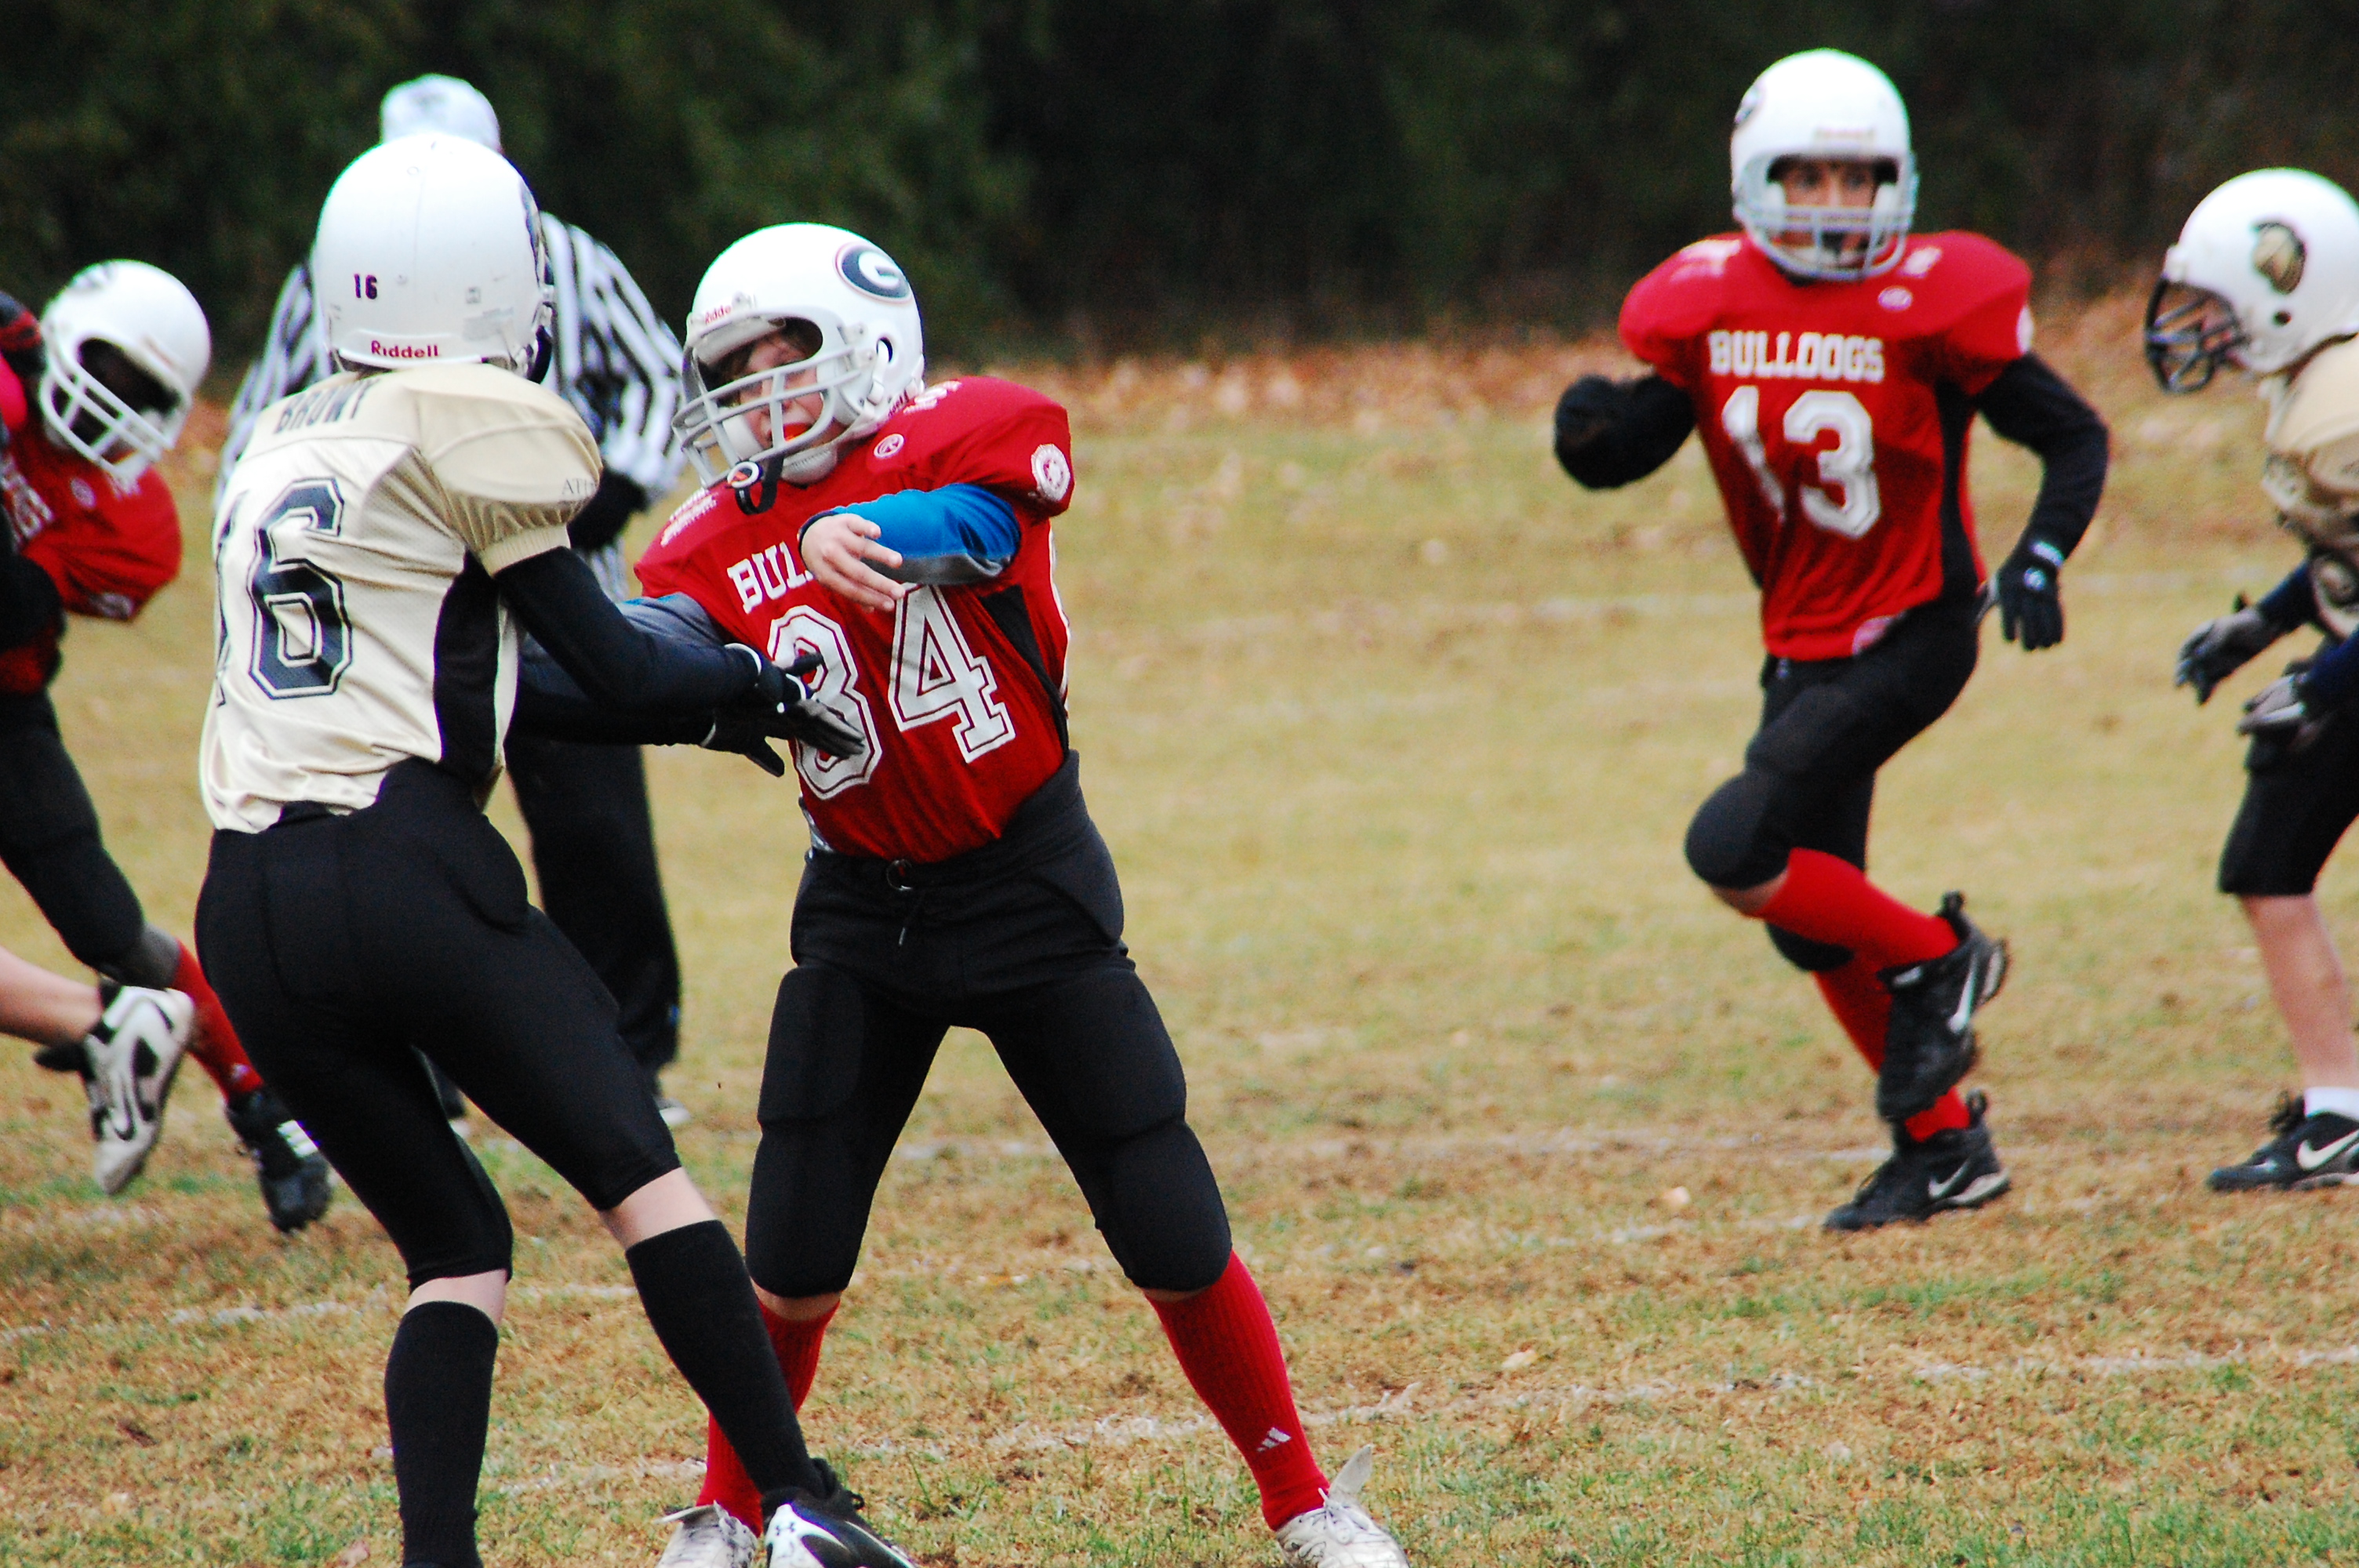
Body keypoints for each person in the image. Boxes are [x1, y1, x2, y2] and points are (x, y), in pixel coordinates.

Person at [597, 222, 1411, 1568]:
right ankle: (727, 1517)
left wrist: (873, 530)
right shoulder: (711, 536)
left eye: (778, 356)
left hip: (1025, 879)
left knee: (1168, 1223)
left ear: (866, 346)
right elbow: (657, 645)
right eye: (729, 371)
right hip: (860, 907)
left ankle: (1307, 1502)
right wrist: (584, 659)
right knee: (791, 1249)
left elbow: (982, 527)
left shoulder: (958, 437)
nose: (753, 393)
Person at [195, 136, 917, 1568]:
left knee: (456, 1247)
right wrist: (754, 684)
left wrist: (706, 713)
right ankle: (796, 1505)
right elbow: (610, 660)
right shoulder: (477, 419)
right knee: (643, 1178)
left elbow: (507, 681)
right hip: (403, 867)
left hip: (246, 905)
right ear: (496, 284)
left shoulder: (276, 440)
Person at [1553, 49, 2109, 1230]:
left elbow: (2073, 436)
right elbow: (1639, 440)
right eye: (1806, 178)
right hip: (1800, 641)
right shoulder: (1710, 301)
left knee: (1732, 846)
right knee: (1812, 929)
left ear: (1895, 183)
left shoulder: (1930, 298)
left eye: (1858, 180)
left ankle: (1942, 958)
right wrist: (1592, 434)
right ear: (1757, 180)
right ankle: (1944, 1149)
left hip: (1913, 627)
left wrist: (2040, 556)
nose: (1835, 204)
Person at [218, 74, 697, 1123]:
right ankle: (419, 1060)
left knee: (595, 831)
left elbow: (661, 378)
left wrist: (611, 493)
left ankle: (629, 1050)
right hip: (393, 609)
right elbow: (264, 417)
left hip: (554, 583)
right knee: (398, 825)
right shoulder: (326, 280)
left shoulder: (570, 258)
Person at [0, 264, 331, 1227]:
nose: (111, 400)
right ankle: (104, 1025)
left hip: (7, 710)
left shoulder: (133, 524)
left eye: (140, 391)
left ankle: (262, 1103)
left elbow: (11, 607)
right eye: (107, 367)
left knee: (109, 926)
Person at [2154, 169, 2359, 1191]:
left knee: (2269, 860)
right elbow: (2345, 557)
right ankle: (2337, 1116)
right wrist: (2261, 624)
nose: (2202, 329)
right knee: (2268, 859)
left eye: (2219, 306)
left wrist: (2322, 685)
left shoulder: (2343, 405)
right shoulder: (2315, 384)